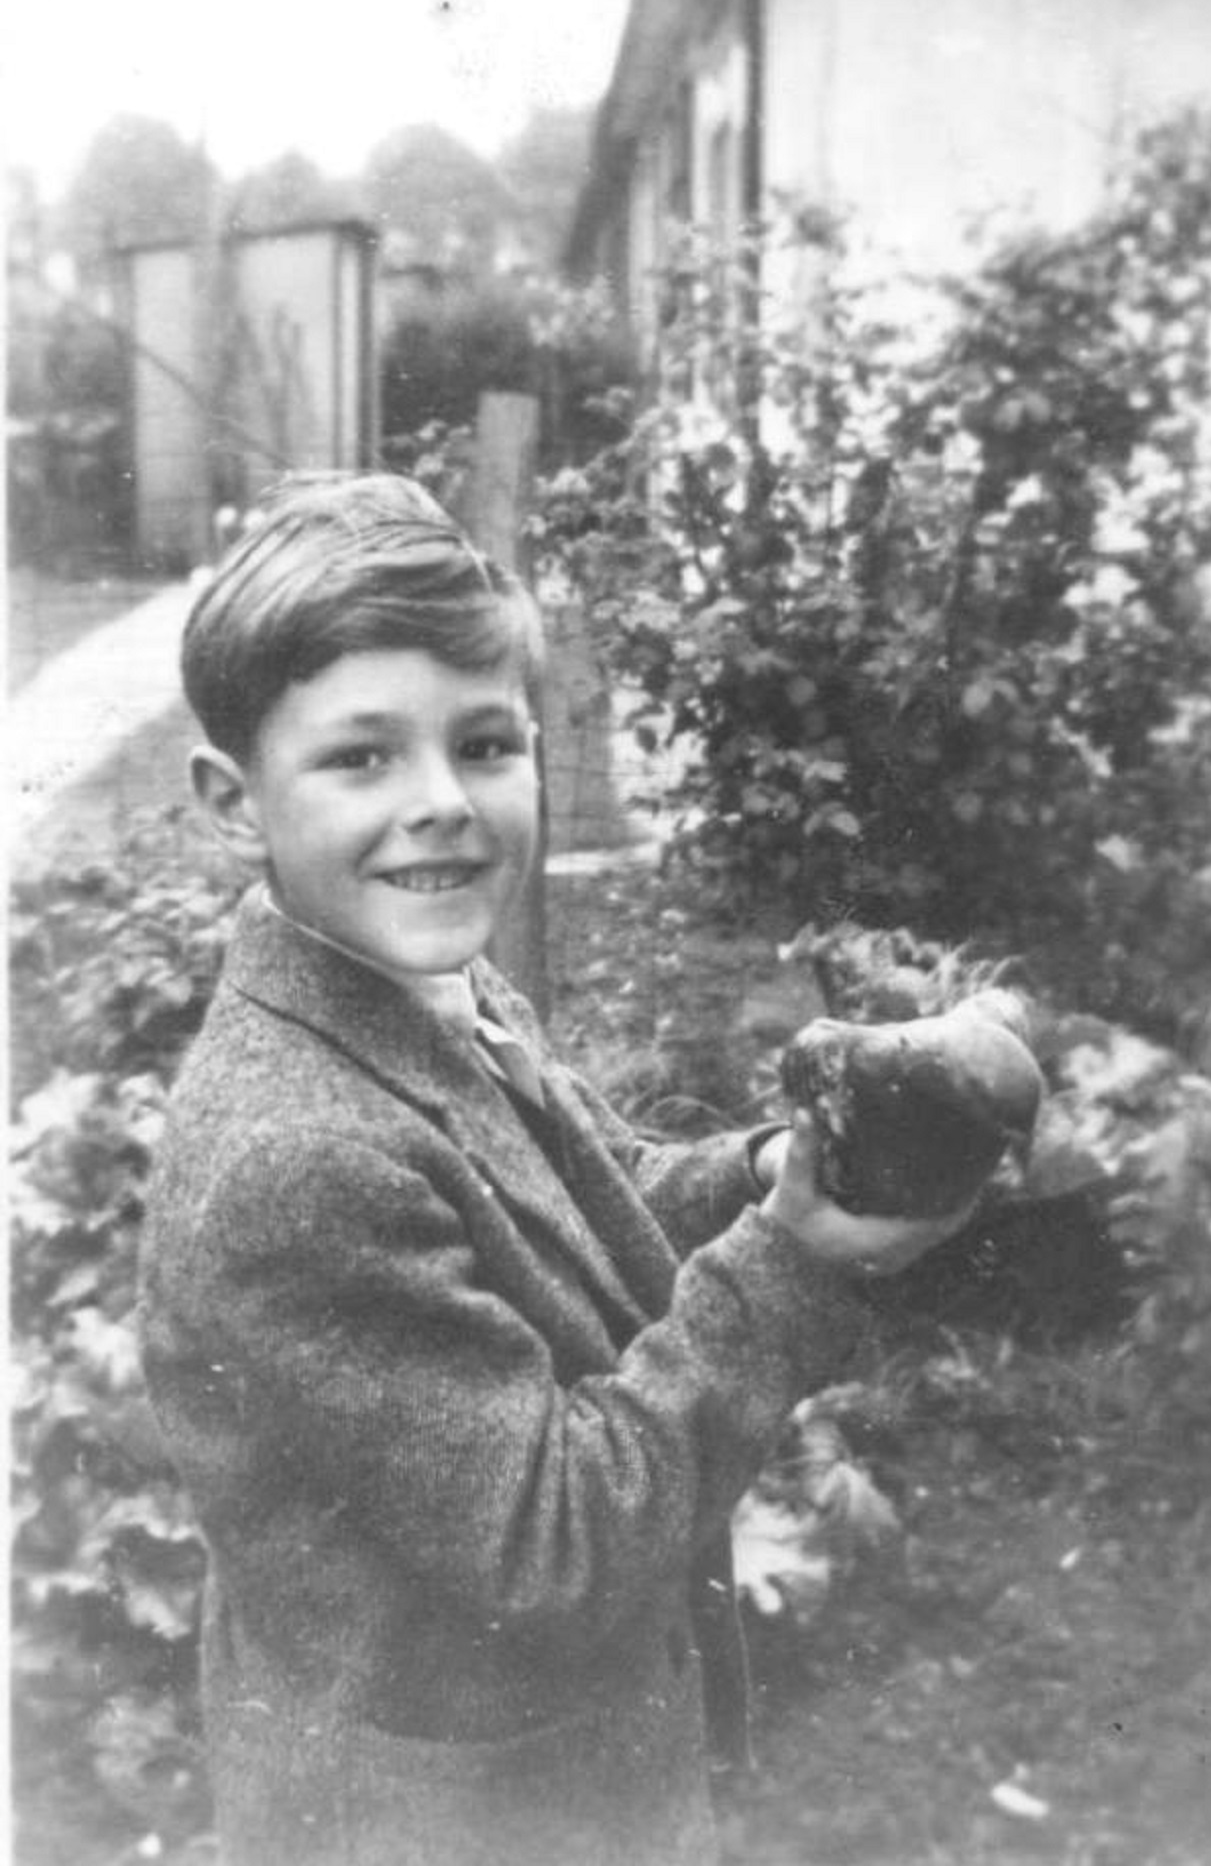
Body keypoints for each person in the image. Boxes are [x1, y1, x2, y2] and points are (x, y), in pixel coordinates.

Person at [140, 473, 980, 1866]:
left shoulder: (418, 992)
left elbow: (581, 1211)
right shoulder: (294, 1158)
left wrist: (772, 1171)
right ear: (237, 802)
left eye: (484, 744)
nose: (442, 806)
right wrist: (795, 1266)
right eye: (362, 759)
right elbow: (552, 1543)